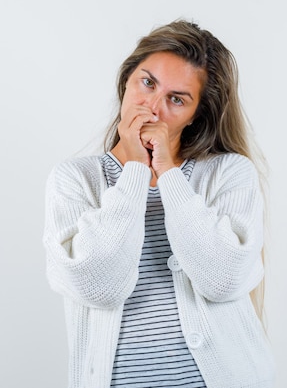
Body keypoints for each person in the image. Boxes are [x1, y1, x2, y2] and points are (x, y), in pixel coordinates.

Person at [43, 19, 275, 388]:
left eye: (176, 99)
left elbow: (223, 279)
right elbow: (95, 286)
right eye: (147, 83)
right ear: (126, 82)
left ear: (196, 114)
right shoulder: (75, 179)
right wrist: (135, 169)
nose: (152, 108)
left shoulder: (229, 173)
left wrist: (167, 171)